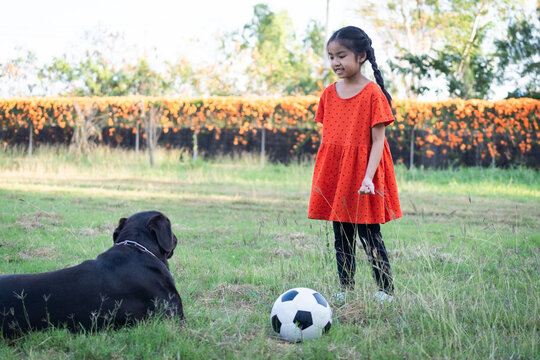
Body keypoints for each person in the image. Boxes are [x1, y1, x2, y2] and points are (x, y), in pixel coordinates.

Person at [308, 26, 402, 304]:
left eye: (342, 55)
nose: (336, 62)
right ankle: (345, 287)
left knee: (369, 233)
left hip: (365, 173)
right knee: (341, 234)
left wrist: (369, 177)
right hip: (338, 174)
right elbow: (332, 140)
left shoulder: (373, 94)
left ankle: (385, 290)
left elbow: (378, 142)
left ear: (361, 56)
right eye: (331, 56)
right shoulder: (328, 94)